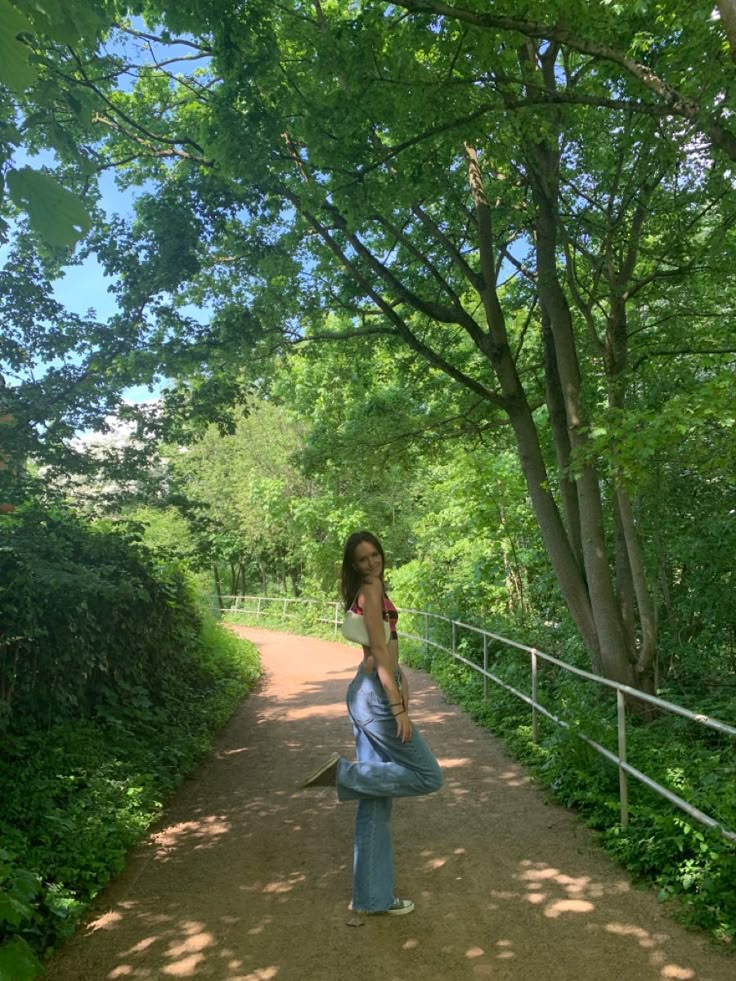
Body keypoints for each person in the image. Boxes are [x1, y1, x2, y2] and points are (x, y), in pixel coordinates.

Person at [300, 530, 443, 916]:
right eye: (362, 559)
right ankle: (344, 774)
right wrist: (397, 707)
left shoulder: (372, 587)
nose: (371, 562)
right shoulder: (370, 590)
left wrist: (400, 676)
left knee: (375, 800)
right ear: (354, 564)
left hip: (371, 690)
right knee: (429, 775)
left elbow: (381, 646)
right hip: (375, 698)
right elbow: (377, 649)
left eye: (374, 555)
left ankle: (371, 898)